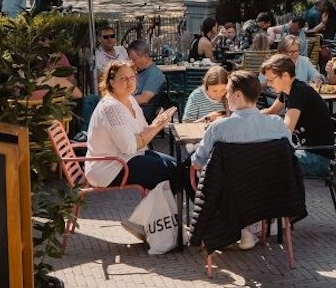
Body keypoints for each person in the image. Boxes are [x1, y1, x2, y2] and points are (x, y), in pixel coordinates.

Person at [190, 70, 291, 250]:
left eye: (228, 92)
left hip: (230, 196)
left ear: (238, 95)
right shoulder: (277, 124)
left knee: (199, 173)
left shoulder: (218, 128)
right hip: (271, 193)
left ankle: (229, 229)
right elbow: (289, 155)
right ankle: (251, 227)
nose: (226, 97)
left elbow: (197, 162)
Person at [85, 60, 179, 191]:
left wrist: (158, 123)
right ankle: (158, 211)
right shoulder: (110, 107)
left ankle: (163, 211)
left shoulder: (130, 100)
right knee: (171, 171)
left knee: (176, 165)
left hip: (129, 157)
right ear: (111, 82)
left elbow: (143, 133)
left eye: (132, 77)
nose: (129, 82)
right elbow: (129, 147)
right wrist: (156, 126)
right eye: (123, 79)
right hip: (109, 168)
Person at [261, 55, 334, 175]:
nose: (268, 84)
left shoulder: (299, 92)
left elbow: (285, 130)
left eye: (271, 80)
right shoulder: (288, 89)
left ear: (285, 76)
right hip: (303, 150)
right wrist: (246, 118)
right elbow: (271, 111)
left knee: (263, 162)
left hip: (317, 158)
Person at [126, 40, 166, 120]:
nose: (131, 63)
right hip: (130, 109)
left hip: (140, 113)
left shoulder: (154, 74)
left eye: (134, 60)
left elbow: (144, 99)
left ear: (145, 56)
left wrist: (120, 100)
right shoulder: (139, 72)